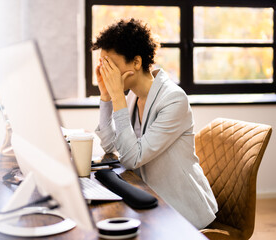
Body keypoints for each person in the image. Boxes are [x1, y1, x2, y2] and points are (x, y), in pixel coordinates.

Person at [92, 18, 218, 229]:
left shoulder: (173, 100)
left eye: (111, 65)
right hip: (149, 197)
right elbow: (111, 146)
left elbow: (132, 158)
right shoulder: (131, 96)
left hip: (182, 210)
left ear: (136, 62)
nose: (106, 72)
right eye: (103, 65)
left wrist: (117, 98)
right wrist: (106, 96)